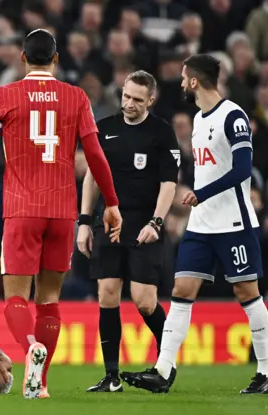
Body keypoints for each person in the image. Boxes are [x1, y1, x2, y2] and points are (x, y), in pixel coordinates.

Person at [0, 29, 122, 399]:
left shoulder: (4, 96)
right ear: (56, 59)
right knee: (50, 300)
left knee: (16, 299)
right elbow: (97, 157)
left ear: (22, 58)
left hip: (22, 208)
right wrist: (112, 202)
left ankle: (29, 348)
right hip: (62, 210)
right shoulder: (77, 97)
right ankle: (40, 383)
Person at [121, 54, 268, 394]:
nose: (180, 83)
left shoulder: (232, 115)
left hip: (233, 221)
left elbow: (241, 170)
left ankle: (266, 373)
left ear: (194, 81)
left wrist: (200, 193)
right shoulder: (197, 119)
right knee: (181, 291)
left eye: (183, 77)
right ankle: (163, 371)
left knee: (247, 292)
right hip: (202, 224)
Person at [77, 70, 179, 392]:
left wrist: (157, 222)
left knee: (144, 300)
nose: (129, 103)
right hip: (108, 219)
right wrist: (83, 222)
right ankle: (111, 376)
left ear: (151, 100)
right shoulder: (104, 129)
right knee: (107, 294)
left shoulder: (161, 133)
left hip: (143, 222)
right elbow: (92, 177)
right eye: (126, 95)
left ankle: (166, 364)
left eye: (137, 99)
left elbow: (168, 184)